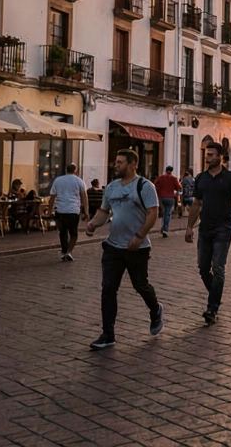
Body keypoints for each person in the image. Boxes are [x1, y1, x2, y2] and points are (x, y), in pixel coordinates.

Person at [84, 149, 163, 349]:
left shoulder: (144, 186)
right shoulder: (111, 187)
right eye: (116, 162)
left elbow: (153, 213)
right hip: (113, 246)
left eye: (120, 162)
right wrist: (93, 224)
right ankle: (108, 334)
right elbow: (104, 211)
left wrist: (140, 236)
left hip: (137, 247)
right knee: (108, 289)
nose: (116, 165)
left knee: (140, 285)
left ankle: (155, 309)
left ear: (132, 164)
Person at [186, 142, 231, 325]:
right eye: (207, 154)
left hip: (223, 227)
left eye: (211, 155)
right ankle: (216, 295)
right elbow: (197, 203)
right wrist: (189, 226)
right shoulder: (201, 178)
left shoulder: (230, 178)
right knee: (203, 268)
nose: (208, 158)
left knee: (218, 268)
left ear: (220, 156)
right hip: (205, 228)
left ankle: (212, 308)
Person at [51, 163, 89, 262]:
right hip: (74, 210)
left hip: (61, 209)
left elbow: (52, 196)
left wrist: (50, 209)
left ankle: (64, 251)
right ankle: (69, 251)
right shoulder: (79, 181)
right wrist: (86, 211)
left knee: (63, 232)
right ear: (75, 171)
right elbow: (84, 196)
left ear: (66, 169)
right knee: (73, 233)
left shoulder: (58, 180)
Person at [155, 166, 181, 238]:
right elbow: (179, 187)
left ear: (165, 170)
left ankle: (162, 228)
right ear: (172, 171)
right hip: (170, 197)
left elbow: (155, 186)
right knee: (167, 213)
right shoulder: (173, 178)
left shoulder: (161, 178)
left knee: (163, 213)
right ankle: (165, 229)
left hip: (162, 197)